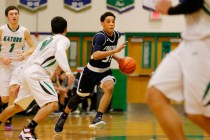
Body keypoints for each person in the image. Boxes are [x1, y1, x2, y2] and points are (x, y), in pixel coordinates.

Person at [145, 0, 210, 140]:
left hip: (204, 45)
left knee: (197, 114)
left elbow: (195, 3)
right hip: (188, 42)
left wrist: (169, 10)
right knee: (155, 94)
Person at [54, 11, 127, 133]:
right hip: (91, 72)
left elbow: (108, 51)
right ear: (102, 23)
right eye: (108, 21)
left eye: (113, 21)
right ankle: (64, 116)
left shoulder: (116, 35)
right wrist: (115, 51)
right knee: (78, 98)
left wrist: (118, 58)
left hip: (104, 72)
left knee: (109, 88)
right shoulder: (100, 36)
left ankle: (98, 117)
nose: (111, 24)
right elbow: (96, 55)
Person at [17, 16, 74, 140]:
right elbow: (59, 51)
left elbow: (31, 58)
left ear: (51, 29)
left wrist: (20, 81)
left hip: (29, 71)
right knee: (52, 104)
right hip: (38, 73)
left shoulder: (45, 40)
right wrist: (68, 72)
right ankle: (27, 131)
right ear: (66, 29)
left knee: (18, 106)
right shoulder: (64, 39)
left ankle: (27, 130)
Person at [0, 5, 35, 130]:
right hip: (4, 64)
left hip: (18, 64)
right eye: (11, 14)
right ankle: (4, 113)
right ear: (7, 17)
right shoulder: (2, 30)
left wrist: (24, 54)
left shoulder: (24, 31)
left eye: (16, 13)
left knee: (12, 92)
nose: (14, 16)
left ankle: (8, 120)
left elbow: (33, 47)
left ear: (18, 15)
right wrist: (2, 58)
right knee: (4, 99)